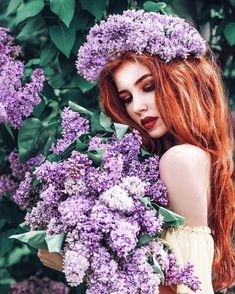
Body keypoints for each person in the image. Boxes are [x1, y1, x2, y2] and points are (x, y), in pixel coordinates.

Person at [38, 10, 235, 294]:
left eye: (148, 87)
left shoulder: (181, 160)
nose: (137, 108)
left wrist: (81, 261)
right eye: (126, 97)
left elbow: (187, 287)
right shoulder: (196, 157)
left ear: (181, 80)